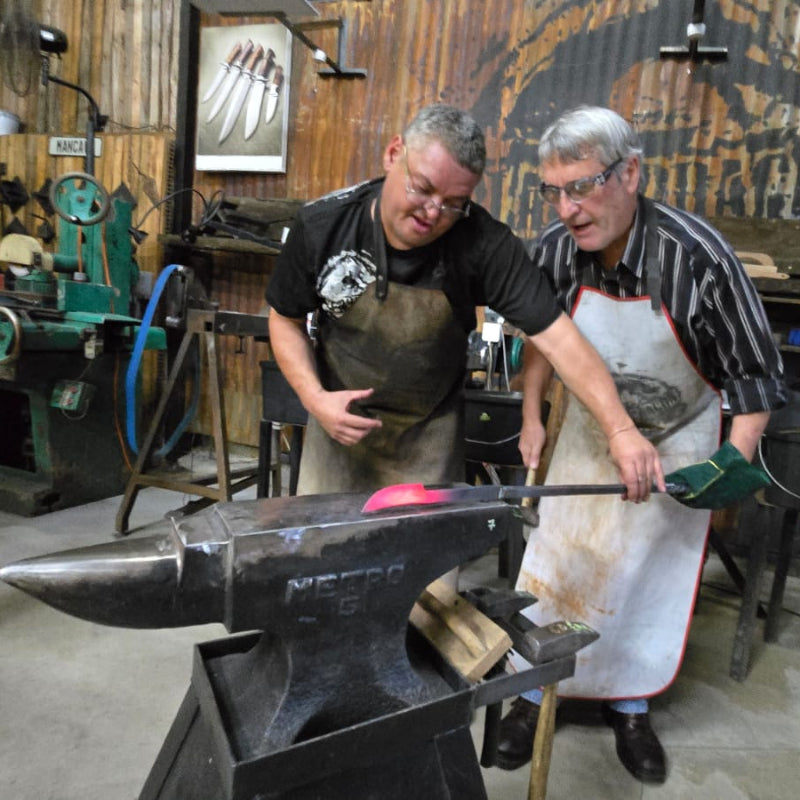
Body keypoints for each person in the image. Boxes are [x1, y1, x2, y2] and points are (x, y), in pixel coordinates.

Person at [496, 105, 787, 784]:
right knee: (557, 567)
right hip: (589, 433)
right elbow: (542, 334)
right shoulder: (555, 250)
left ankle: (630, 705)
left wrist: (731, 465)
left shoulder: (698, 259)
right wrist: (533, 413)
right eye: (555, 191)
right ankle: (532, 697)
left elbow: (755, 376)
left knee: (644, 576)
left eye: (583, 187)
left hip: (681, 436)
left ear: (630, 173)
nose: (567, 209)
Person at [265, 103, 662, 503]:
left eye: (454, 202)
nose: (433, 212)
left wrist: (620, 430)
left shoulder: (484, 245)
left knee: (424, 561)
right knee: (325, 558)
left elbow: (558, 338)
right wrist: (314, 398)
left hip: (427, 444)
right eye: (421, 188)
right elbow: (285, 319)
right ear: (393, 154)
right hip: (335, 435)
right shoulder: (324, 226)